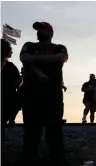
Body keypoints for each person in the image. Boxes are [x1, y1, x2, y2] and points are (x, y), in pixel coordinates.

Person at [19, 21, 68, 166]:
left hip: (53, 95)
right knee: (31, 133)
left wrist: (34, 60)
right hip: (32, 95)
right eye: (38, 29)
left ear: (50, 33)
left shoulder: (59, 47)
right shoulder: (29, 45)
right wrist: (48, 61)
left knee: (54, 132)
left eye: (42, 29)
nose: (39, 32)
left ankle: (57, 160)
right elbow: (23, 58)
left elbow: (61, 57)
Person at [1, 39, 21, 147]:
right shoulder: (10, 67)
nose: (11, 52)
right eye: (10, 49)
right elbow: (18, 82)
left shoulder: (11, 66)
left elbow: (18, 82)